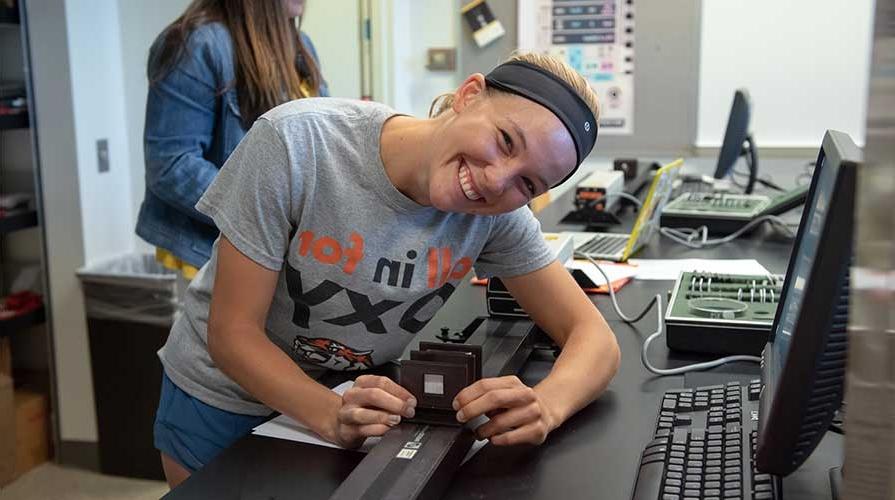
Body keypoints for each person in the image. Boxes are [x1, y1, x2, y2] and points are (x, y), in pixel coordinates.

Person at [153, 51, 621, 488]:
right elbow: (232, 333)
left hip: (342, 404)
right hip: (222, 402)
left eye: (528, 182)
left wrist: (547, 404)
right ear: (469, 95)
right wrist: (327, 413)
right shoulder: (297, 144)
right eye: (504, 140)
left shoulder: (495, 216)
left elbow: (594, 339)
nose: (496, 180)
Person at [136, 0, 327, 278]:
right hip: (210, 256)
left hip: (282, 254)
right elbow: (171, 166)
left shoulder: (301, 46)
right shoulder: (195, 44)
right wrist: (271, 214)